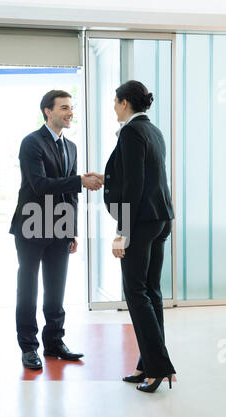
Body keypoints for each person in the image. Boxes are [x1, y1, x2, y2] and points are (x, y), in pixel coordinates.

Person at [91, 80, 176, 392]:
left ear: (124, 102)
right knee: (150, 292)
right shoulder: (153, 130)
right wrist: (108, 176)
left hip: (141, 223)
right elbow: (143, 175)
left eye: (115, 102)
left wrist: (121, 233)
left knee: (136, 293)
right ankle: (148, 365)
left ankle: (157, 367)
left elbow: (136, 186)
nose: (114, 108)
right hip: (161, 219)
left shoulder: (130, 132)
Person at [9, 89, 103, 369]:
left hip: (60, 228)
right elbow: (40, 185)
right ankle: (28, 347)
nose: (70, 112)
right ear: (48, 112)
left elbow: (69, 196)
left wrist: (72, 228)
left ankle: (54, 342)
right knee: (28, 290)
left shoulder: (71, 147)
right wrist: (79, 181)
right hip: (31, 225)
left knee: (56, 289)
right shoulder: (31, 143)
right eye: (64, 107)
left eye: (71, 107)